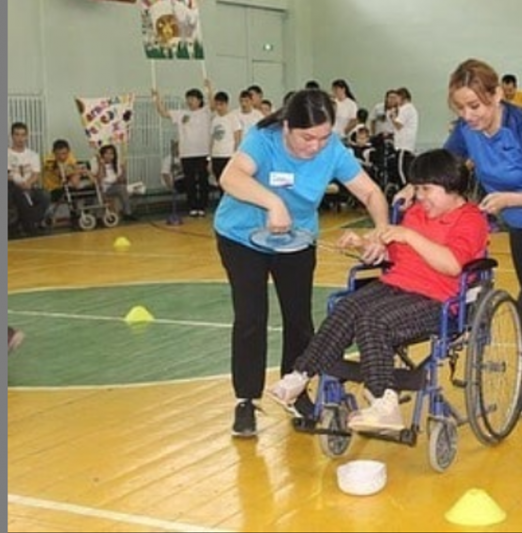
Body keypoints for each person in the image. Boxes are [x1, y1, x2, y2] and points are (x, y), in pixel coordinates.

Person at [399, 59, 522, 416]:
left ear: (497, 95)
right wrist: (413, 186)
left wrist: (507, 199)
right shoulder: (467, 131)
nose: (469, 115)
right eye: (461, 108)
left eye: (476, 106)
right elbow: (446, 163)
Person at [266, 149, 489, 432]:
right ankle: (300, 375)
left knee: (373, 320)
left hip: (439, 299)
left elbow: (452, 264)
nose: (419, 196)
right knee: (347, 306)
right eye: (416, 188)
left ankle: (385, 403)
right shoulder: (416, 214)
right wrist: (363, 244)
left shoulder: (470, 219)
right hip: (396, 284)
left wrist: (409, 235)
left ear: (451, 186)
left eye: (426, 189)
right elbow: (390, 256)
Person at [213, 89, 390, 438]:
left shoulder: (332, 150)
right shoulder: (263, 140)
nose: (316, 146)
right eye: (307, 137)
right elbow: (230, 177)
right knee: (251, 317)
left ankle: (295, 389)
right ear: (287, 126)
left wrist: (381, 232)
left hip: (296, 240)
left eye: (323, 137)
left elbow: (369, 192)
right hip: (241, 237)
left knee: (299, 319)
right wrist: (272, 202)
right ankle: (246, 400)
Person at [153, 81, 213, 217]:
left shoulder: (205, 112)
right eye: (188, 99)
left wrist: (209, 88)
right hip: (186, 154)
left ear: (199, 100)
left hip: (203, 153)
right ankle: (192, 207)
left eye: (193, 98)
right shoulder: (181, 114)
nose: (190, 101)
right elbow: (163, 112)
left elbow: (213, 104)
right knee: (190, 182)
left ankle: (202, 206)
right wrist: (157, 97)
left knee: (203, 181)